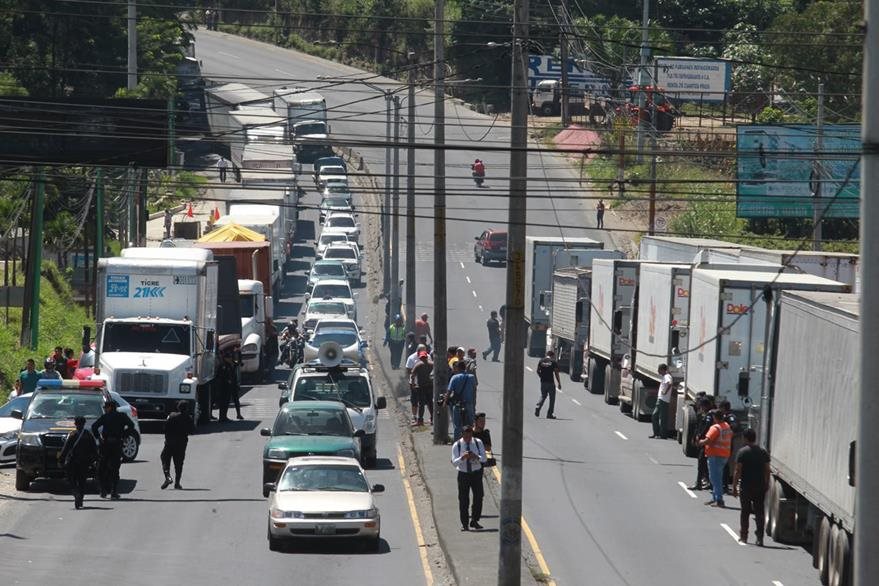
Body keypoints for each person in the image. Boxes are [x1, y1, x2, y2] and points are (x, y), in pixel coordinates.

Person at [732, 428, 771, 545]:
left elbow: (737, 470)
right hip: (760, 486)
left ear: (745, 438)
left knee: (745, 512)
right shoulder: (763, 452)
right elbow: (767, 470)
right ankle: (760, 538)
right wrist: (767, 483)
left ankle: (744, 536)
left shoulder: (742, 452)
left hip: (746, 487)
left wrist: (734, 486)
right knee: (759, 512)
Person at [92, 400, 134, 500]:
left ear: (110, 407)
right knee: (115, 469)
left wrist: (99, 438)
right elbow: (131, 426)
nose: (104, 409)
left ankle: (103, 490)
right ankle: (114, 492)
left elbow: (94, 426)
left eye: (105, 407)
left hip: (105, 444)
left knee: (101, 468)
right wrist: (124, 435)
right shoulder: (122, 416)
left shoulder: (105, 416)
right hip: (117, 444)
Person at [451, 425, 487, 531]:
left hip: (476, 473)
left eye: (470, 436)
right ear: (462, 435)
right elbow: (454, 462)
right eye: (466, 436)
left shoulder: (477, 442)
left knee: (479, 497)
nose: (468, 438)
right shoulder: (457, 445)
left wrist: (476, 456)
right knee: (463, 499)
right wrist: (463, 457)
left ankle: (475, 520)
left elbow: (484, 459)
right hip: (463, 474)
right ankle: (465, 524)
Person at [59, 415, 98, 509]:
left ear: (75, 424)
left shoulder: (72, 435)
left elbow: (65, 449)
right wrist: (94, 460)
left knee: (71, 479)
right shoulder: (88, 435)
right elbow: (94, 449)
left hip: (73, 461)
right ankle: (80, 499)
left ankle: (76, 493)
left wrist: (61, 460)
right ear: (84, 423)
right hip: (85, 462)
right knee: (82, 481)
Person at [698, 409, 733, 507]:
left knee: (714, 479)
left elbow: (708, 441)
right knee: (717, 477)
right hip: (724, 456)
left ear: (715, 417)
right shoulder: (726, 426)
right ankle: (715, 498)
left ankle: (719, 500)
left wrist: (700, 442)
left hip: (715, 456)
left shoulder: (715, 428)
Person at [161, 401, 196, 490]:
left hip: (169, 442)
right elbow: (192, 431)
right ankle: (177, 483)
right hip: (182, 443)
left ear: (178, 407)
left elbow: (165, 428)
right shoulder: (188, 418)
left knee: (165, 458)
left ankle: (168, 477)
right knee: (179, 463)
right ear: (187, 409)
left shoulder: (171, 416)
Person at [446, 361, 477, 440]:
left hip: (457, 404)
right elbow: (474, 391)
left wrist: (445, 402)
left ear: (458, 368)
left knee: (457, 426)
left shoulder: (454, 377)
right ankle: (471, 441)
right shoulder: (471, 377)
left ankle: (457, 443)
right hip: (469, 404)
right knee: (470, 425)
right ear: (465, 367)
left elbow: (449, 391)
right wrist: (474, 404)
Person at [689, 397, 713, 490]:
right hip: (705, 443)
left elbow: (706, 428)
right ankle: (706, 482)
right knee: (705, 464)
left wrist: (699, 437)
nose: (701, 408)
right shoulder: (706, 415)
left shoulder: (708, 416)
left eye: (701, 406)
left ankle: (698, 483)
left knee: (701, 463)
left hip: (705, 443)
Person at [720, 399, 743, 493]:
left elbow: (734, 426)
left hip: (728, 444)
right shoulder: (727, 416)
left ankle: (725, 485)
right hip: (726, 444)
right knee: (724, 464)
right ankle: (724, 484)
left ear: (723, 408)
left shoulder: (730, 417)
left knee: (725, 464)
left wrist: (728, 436)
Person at [409, 351, 434, 426]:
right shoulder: (432, 364)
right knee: (430, 403)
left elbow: (412, 375)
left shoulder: (418, 365)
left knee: (421, 404)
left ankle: (420, 420)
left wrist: (413, 384)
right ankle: (432, 419)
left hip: (421, 387)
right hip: (430, 386)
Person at [534, 350, 561, 419]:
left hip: (543, 382)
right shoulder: (553, 362)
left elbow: (537, 371)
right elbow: (556, 373)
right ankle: (549, 414)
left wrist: (541, 376)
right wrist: (559, 383)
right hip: (551, 383)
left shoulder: (541, 361)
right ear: (552, 356)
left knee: (543, 396)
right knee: (552, 399)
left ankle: (538, 406)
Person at [216, 351, 241, 422]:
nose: (230, 359)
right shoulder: (223, 365)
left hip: (231, 386)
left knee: (227, 402)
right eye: (229, 358)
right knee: (223, 402)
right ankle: (222, 417)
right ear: (225, 358)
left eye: (230, 357)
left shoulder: (231, 364)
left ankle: (225, 416)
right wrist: (227, 380)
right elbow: (220, 376)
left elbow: (238, 363)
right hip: (224, 387)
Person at [650, 363, 673, 439]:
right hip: (661, 399)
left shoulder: (667, 376)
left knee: (662, 418)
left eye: (659, 369)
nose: (658, 371)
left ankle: (662, 434)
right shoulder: (664, 377)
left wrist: (665, 392)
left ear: (663, 370)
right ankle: (657, 433)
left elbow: (670, 383)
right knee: (655, 416)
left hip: (663, 400)